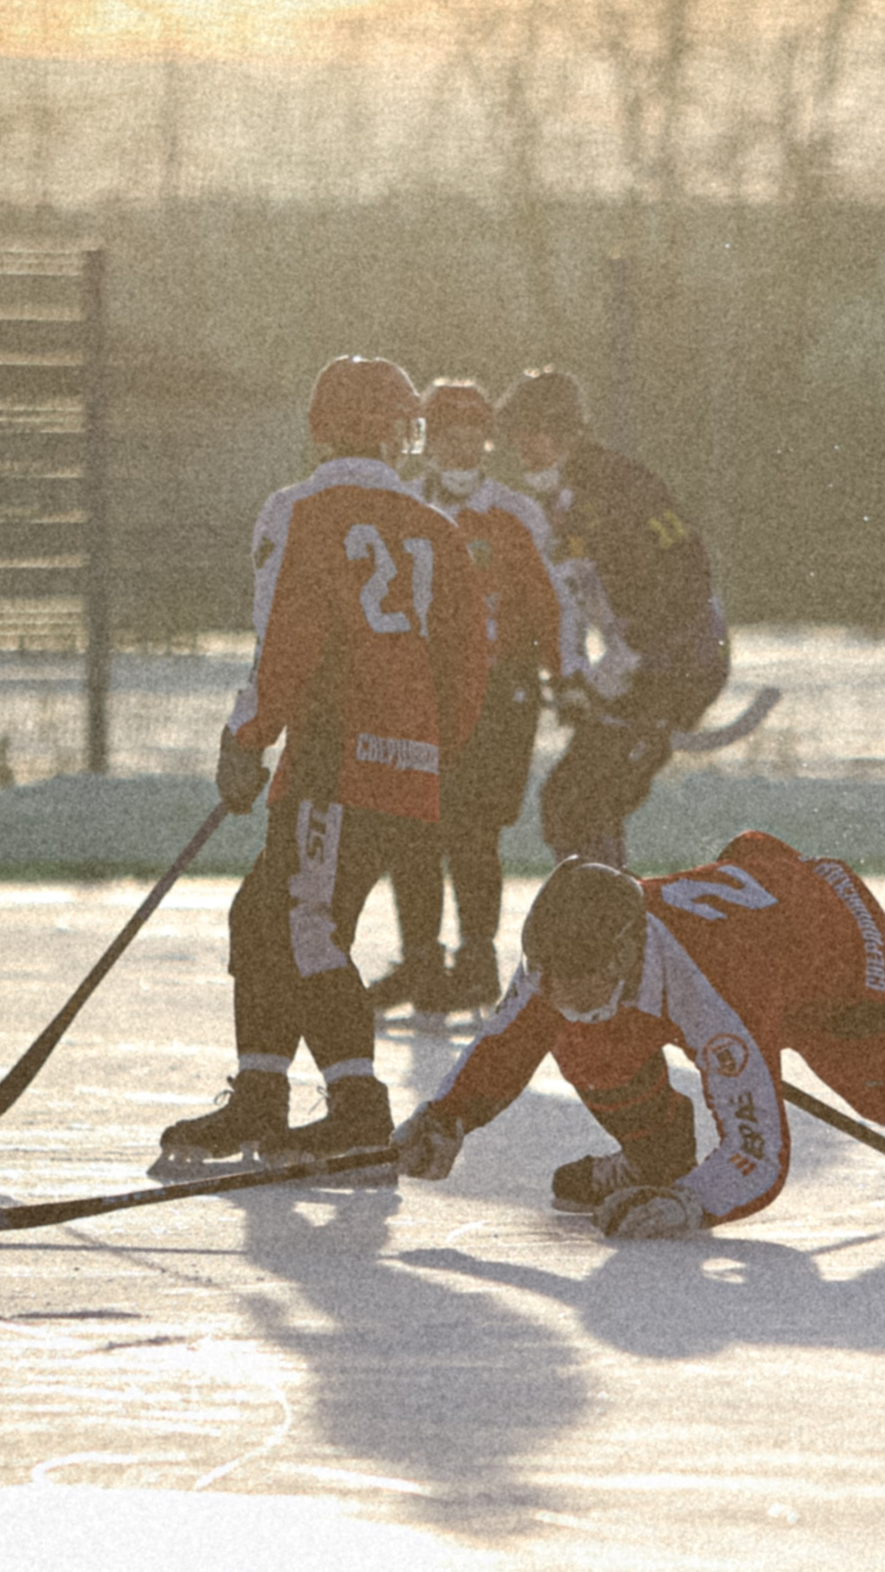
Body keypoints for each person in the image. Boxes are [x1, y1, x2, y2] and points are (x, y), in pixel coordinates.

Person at [389, 831, 885, 1236]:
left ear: (626, 952)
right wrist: (446, 1118)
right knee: (580, 1035)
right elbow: (507, 1041)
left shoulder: (713, 986)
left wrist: (695, 1206)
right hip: (769, 922)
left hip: (842, 968)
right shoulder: (563, 958)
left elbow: (759, 1153)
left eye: (586, 980)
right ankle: (656, 1155)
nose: (566, 994)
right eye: (553, 978)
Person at [154, 356, 488, 1177]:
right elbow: (468, 664)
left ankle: (359, 1112)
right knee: (261, 918)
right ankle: (261, 1095)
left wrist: (246, 738)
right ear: (397, 432)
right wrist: (425, 748)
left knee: (303, 923)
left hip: (333, 766)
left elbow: (286, 643)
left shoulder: (299, 511)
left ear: (318, 425)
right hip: (405, 769)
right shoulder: (437, 529)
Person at [367, 379, 583, 1014]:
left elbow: (556, 602)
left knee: (473, 829)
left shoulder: (515, 512)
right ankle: (420, 962)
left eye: (472, 434)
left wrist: (566, 673)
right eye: (447, 433)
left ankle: (478, 961)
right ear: (427, 438)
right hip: (420, 693)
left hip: (498, 692)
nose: (460, 446)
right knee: (412, 825)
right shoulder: (400, 506)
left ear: (486, 440)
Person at [495, 366, 729, 868]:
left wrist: (610, 677)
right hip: (648, 664)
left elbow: (683, 583)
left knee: (578, 802)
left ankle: (609, 928)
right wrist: (579, 674)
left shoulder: (616, 490)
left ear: (566, 431)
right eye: (516, 438)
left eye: (531, 434)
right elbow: (581, 599)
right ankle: (607, 919)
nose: (522, 451)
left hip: (681, 664)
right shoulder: (566, 495)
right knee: (576, 801)